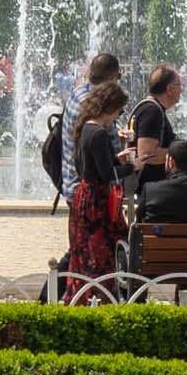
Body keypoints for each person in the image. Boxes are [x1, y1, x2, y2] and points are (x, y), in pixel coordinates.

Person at [62, 82, 131, 292]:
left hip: (85, 194)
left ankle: (82, 295)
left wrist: (117, 159)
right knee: (101, 252)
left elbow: (89, 165)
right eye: (119, 111)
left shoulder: (86, 127)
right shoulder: (99, 133)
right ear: (110, 108)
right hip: (97, 200)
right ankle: (100, 296)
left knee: (85, 252)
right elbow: (106, 174)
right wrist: (132, 167)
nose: (117, 117)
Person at [57, 53, 121, 199]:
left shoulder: (78, 92)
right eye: (119, 77)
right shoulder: (95, 105)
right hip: (89, 191)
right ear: (112, 78)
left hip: (72, 181)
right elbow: (105, 163)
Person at [126, 66, 183, 195]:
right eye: (179, 85)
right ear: (169, 89)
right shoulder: (152, 111)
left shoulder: (150, 109)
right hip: (151, 192)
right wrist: (181, 153)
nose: (182, 90)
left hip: (151, 190)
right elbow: (147, 154)